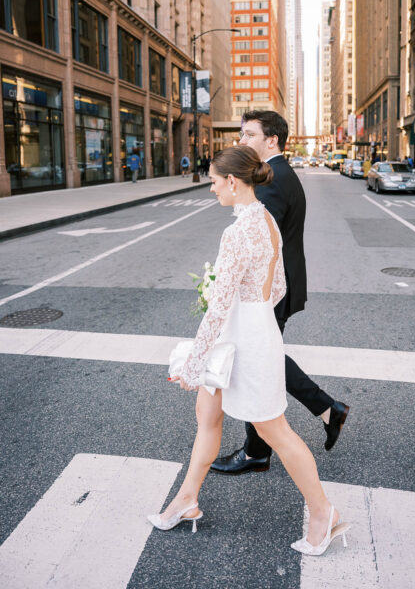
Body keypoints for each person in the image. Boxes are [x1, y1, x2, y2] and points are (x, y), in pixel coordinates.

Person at [151, 145, 350, 555]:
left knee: (272, 429)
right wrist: (253, 309)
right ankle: (187, 499)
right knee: (207, 415)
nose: (211, 190)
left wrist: (194, 362)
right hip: (255, 329)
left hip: (243, 338)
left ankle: (323, 512)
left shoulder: (237, 231)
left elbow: (221, 307)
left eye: (213, 182)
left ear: (232, 181)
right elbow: (277, 287)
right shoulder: (267, 222)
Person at [210, 110, 350, 478]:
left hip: (268, 291)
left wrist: (229, 290)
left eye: (248, 134)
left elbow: (258, 247)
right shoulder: (281, 173)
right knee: (263, 358)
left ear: (271, 140)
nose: (241, 140)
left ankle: (261, 449)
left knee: (257, 361)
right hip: (277, 286)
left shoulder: (272, 181)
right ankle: (321, 411)